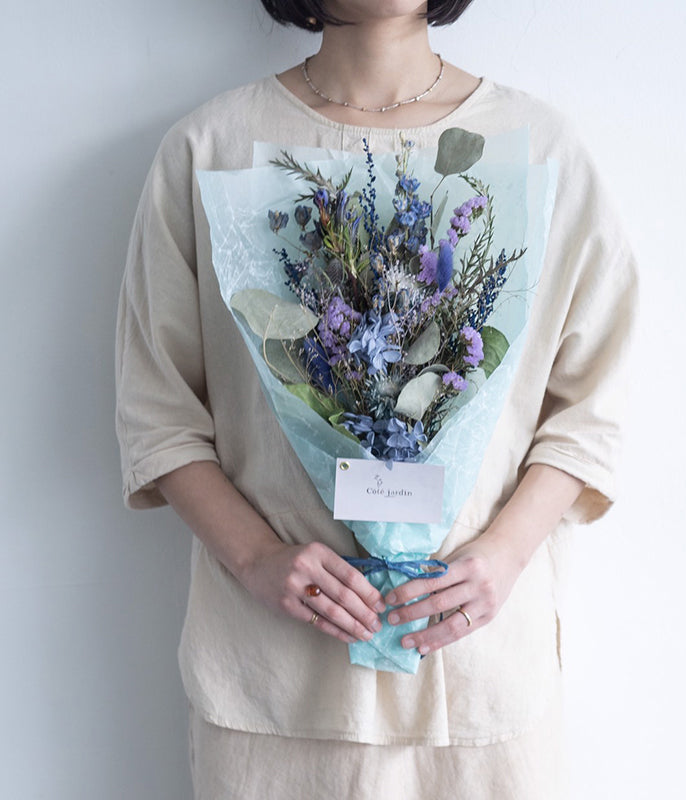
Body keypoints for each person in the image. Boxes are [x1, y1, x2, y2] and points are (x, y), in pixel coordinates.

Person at [115, 1, 637, 797]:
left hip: (475, 676)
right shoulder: (210, 148)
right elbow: (157, 408)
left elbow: (591, 403)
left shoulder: (540, 145)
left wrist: (505, 554)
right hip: (275, 677)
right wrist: (254, 557)